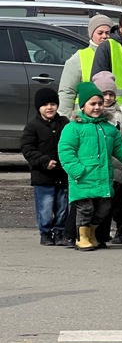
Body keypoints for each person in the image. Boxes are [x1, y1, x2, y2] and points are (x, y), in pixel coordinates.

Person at [57, 82, 122, 252]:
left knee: (104, 209)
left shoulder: (108, 129)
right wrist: (78, 171)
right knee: (86, 209)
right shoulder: (73, 128)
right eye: (92, 104)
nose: (97, 107)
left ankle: (92, 233)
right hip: (83, 178)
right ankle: (82, 237)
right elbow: (66, 151)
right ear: (83, 105)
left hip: (102, 178)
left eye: (99, 104)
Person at [21, 88, 69, 246]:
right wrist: (44, 161)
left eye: (53, 104)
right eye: (45, 105)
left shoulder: (64, 123)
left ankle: (60, 231)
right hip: (43, 176)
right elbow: (27, 149)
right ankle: (46, 233)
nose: (49, 108)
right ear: (38, 107)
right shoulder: (32, 126)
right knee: (45, 208)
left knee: (63, 207)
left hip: (63, 175)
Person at [90, 71, 122, 247]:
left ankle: (121, 228)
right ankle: (102, 233)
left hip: (119, 165)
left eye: (110, 94)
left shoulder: (121, 115)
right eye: (103, 94)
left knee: (120, 202)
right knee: (102, 203)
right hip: (101, 166)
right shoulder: (93, 115)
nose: (107, 98)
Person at [58, 15, 113, 117]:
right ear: (91, 35)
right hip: (84, 119)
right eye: (100, 33)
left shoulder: (118, 55)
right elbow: (67, 92)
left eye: (108, 33)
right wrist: (63, 119)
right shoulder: (79, 58)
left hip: (112, 118)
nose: (105, 36)